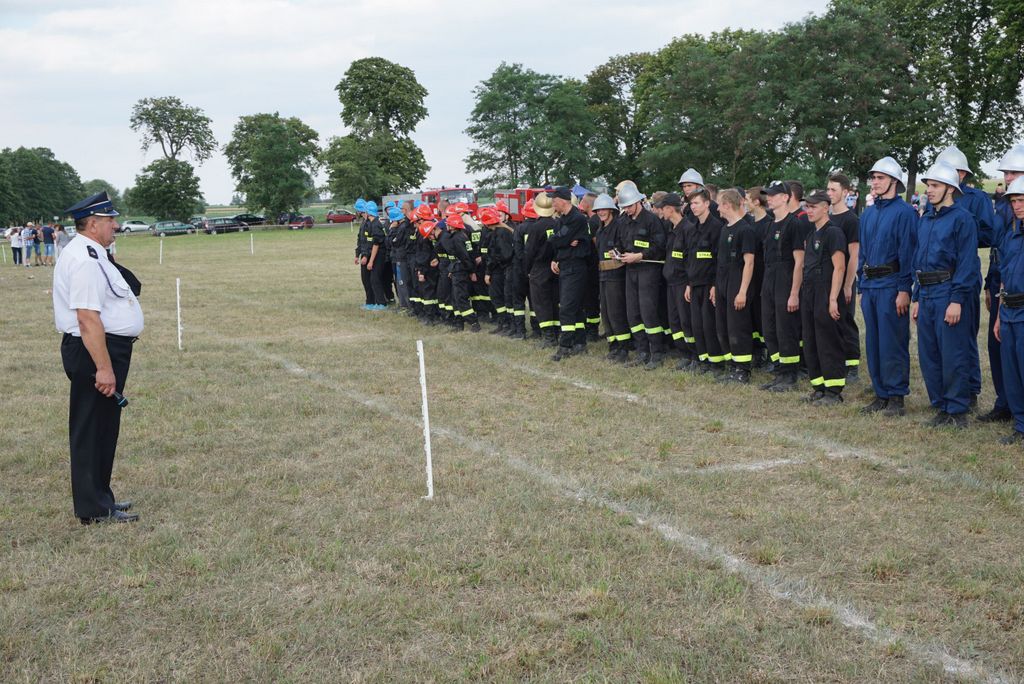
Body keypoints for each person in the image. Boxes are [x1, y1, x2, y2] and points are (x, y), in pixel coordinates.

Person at [52, 191, 143, 525]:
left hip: (103, 348)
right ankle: (93, 508)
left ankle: (102, 498)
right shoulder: (85, 260)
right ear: (93, 223)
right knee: (92, 429)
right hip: (94, 351)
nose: (115, 225)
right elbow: (87, 319)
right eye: (110, 220)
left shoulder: (93, 253)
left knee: (104, 427)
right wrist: (104, 368)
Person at [912, 161, 979, 428]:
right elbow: (919, 260)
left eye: (935, 185)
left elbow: (967, 263)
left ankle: (957, 410)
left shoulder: (962, 219)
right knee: (929, 354)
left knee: (953, 353)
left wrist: (956, 300)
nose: (929, 190)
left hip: (947, 291)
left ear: (950, 188)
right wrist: (916, 297)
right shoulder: (926, 219)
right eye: (928, 185)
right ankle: (941, 406)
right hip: (926, 293)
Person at [980, 145, 1024, 423]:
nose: (1008, 177)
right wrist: (990, 283)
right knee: (998, 349)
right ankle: (1005, 404)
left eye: (1014, 172)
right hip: (1003, 284)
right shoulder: (1004, 209)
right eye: (1006, 173)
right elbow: (1000, 253)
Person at [799, 189, 848, 405]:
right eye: (807, 206)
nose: (808, 210)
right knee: (811, 340)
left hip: (825, 290)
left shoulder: (833, 233)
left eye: (813, 207)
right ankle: (819, 387)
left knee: (827, 341)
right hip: (809, 291)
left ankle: (833, 391)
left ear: (826, 207)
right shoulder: (811, 234)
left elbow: (839, 267)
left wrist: (833, 298)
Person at [760, 181, 808, 392]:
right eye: (768, 195)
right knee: (769, 328)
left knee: (785, 328)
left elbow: (800, 261)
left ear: (785, 197)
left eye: (773, 195)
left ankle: (789, 375)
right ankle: (779, 370)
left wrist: (794, 293)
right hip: (769, 279)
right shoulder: (770, 225)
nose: (769, 198)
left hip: (786, 279)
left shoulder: (794, 224)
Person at [616, 182, 667, 369]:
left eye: (629, 206)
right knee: (633, 313)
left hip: (648, 270)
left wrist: (640, 256)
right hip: (630, 271)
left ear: (638, 202)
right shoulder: (623, 221)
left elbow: (660, 246)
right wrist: (617, 253)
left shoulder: (652, 220)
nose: (627, 210)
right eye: (624, 207)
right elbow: (620, 242)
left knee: (648, 312)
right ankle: (642, 351)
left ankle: (657, 353)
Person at [714, 189, 757, 384]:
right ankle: (732, 365)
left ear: (727, 205)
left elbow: (749, 263)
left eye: (719, 204)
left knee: (738, 327)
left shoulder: (745, 230)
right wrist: (716, 287)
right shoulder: (725, 229)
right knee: (723, 326)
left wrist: (742, 292)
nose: (717, 208)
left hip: (737, 282)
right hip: (722, 282)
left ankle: (743, 370)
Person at [993, 176, 1024, 444]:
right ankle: (1020, 425)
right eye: (1013, 201)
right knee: (1012, 372)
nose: (1016, 206)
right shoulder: (1011, 235)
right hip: (1009, 311)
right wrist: (999, 316)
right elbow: (1003, 276)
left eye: (1021, 200)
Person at [684, 188, 726, 375]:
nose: (693, 207)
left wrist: (715, 285)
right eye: (691, 203)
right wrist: (689, 283)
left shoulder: (716, 228)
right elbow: (690, 258)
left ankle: (716, 363)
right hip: (695, 284)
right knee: (697, 324)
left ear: (707, 203)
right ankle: (703, 360)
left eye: (697, 203)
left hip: (709, 284)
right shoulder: (693, 228)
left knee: (709, 325)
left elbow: (719, 260)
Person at [547, 187, 592, 360]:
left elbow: (560, 239)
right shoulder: (562, 220)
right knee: (575, 307)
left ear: (563, 201)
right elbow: (553, 241)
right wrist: (557, 255)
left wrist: (562, 241)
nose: (552, 204)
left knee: (566, 307)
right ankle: (580, 343)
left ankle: (565, 346)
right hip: (565, 265)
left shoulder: (577, 218)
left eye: (554, 200)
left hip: (576, 267)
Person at [826, 173, 861, 380]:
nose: (829, 193)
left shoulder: (851, 220)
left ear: (845, 192)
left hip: (844, 279)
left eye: (834, 190)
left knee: (845, 320)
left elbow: (854, 255)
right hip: (828, 279)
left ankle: (852, 364)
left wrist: (848, 284)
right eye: (828, 189)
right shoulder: (827, 218)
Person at [659, 193, 695, 370]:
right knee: (674, 321)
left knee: (686, 320)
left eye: (662, 208)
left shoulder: (688, 229)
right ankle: (684, 354)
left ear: (670, 209)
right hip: (671, 283)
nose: (660, 212)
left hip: (682, 283)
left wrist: (689, 283)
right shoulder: (671, 229)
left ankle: (694, 355)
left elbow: (691, 260)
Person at [524, 194, 561, 347]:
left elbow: (529, 251)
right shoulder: (557, 224)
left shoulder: (536, 227)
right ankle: (557, 333)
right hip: (556, 267)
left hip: (539, 268)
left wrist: (527, 269)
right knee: (554, 301)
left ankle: (548, 337)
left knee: (540, 303)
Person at [446, 212, 481, 332]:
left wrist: (471, 271)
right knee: (456, 298)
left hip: (460, 271)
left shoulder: (456, 238)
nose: (447, 226)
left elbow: (464, 257)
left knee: (460, 298)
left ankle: (474, 322)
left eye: (448, 224)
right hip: (458, 270)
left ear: (453, 226)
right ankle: (458, 323)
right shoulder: (462, 236)